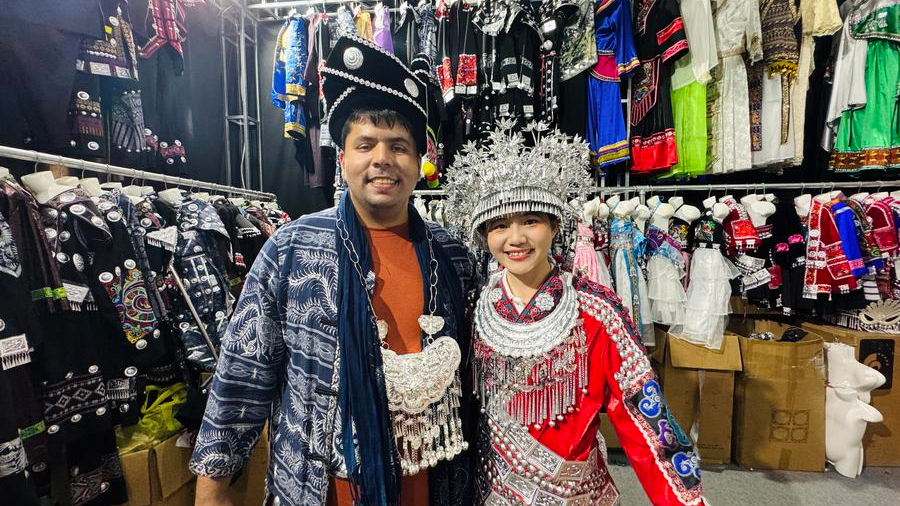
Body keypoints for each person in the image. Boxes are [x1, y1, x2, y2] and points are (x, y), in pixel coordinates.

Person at [189, 36, 475, 506]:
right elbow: (242, 373)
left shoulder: (453, 257)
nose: (382, 159)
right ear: (342, 158)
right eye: (365, 144)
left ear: (419, 161)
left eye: (399, 146)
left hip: (437, 488)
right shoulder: (292, 249)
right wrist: (212, 491)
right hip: (318, 490)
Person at [443, 122, 709, 505]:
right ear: (485, 236)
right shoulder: (472, 307)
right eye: (500, 225)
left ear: (554, 226)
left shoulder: (596, 310)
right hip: (489, 493)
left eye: (530, 221)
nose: (516, 238)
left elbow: (644, 417)